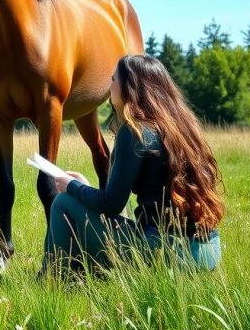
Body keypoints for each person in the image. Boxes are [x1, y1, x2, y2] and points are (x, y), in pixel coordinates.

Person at [43, 54, 224, 274]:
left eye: (113, 80)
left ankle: (55, 280)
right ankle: (80, 274)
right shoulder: (184, 128)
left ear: (130, 87)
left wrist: (72, 186)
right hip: (209, 252)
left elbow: (112, 205)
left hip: (168, 254)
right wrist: (84, 186)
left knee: (62, 203)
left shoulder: (134, 131)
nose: (109, 87)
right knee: (74, 199)